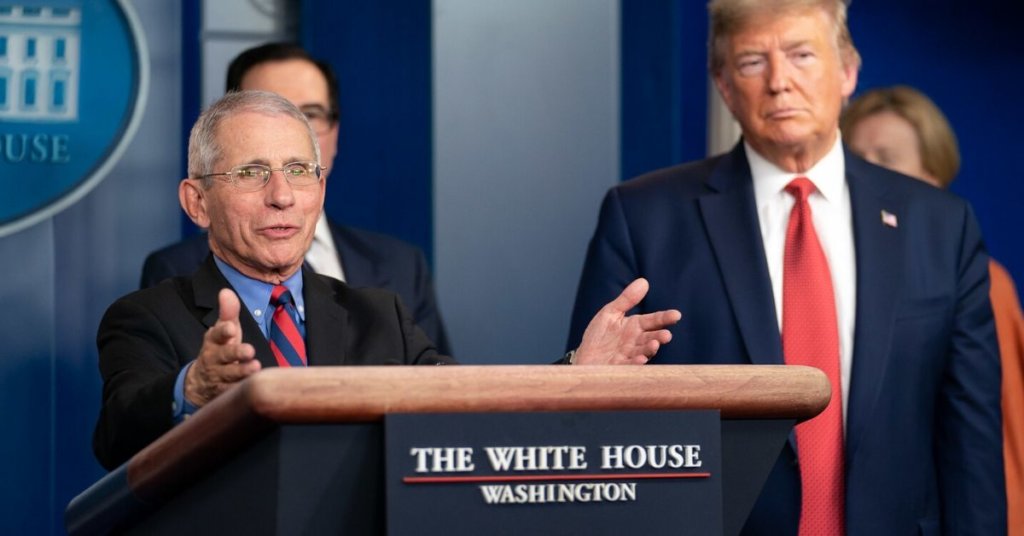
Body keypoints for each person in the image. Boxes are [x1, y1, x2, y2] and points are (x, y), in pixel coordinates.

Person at [568, 0, 1005, 534]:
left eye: (801, 55)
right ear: (724, 85)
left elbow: (971, 445)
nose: (780, 82)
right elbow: (590, 418)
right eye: (753, 62)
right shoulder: (644, 218)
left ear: (847, 71)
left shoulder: (940, 225)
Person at [94, 90, 681, 471]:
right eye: (253, 173)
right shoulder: (146, 317)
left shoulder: (380, 315)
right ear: (198, 202)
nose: (282, 195)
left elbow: (472, 411)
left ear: (321, 189)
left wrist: (576, 374)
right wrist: (194, 388)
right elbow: (117, 437)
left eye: (300, 171)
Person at [139, 43, 454, 355]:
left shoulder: (401, 266)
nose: (290, 129)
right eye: (271, 110)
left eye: (311, 115)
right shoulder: (173, 272)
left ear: (335, 132)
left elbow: (443, 393)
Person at [842, 85, 1024, 536]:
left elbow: (1003, 433)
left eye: (886, 158)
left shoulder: (982, 280)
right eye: (856, 160)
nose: (868, 176)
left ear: (933, 176)